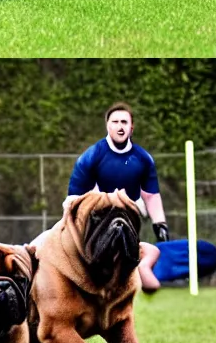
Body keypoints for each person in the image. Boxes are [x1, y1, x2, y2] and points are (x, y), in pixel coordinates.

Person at [65, 102, 169, 292]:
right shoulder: (92, 156)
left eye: (124, 122)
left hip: (129, 219)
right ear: (108, 125)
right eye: (115, 122)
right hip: (96, 221)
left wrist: (160, 223)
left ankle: (139, 268)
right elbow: (73, 199)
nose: (120, 126)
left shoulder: (143, 158)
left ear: (131, 127)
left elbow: (151, 195)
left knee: (141, 253)